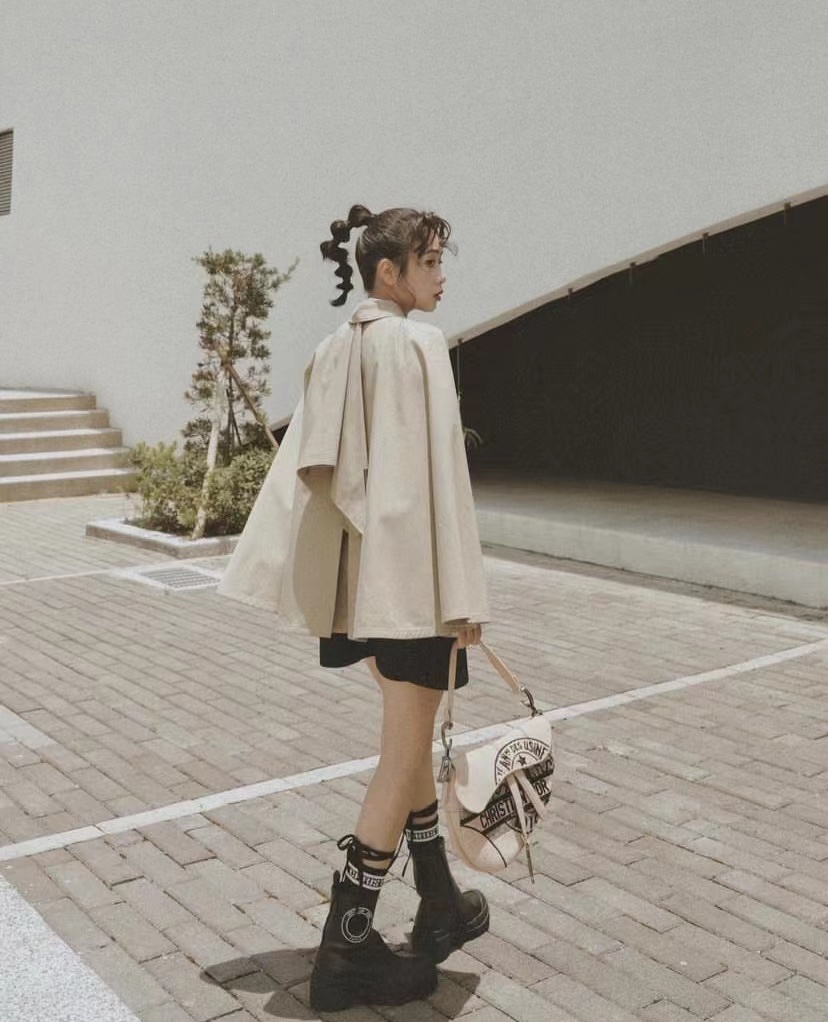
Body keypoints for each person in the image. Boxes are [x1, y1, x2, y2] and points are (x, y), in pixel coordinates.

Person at [218, 204, 491, 1011]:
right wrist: (464, 596)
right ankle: (347, 949)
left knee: (407, 742)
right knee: (400, 755)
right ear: (389, 271)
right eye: (431, 261)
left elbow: (315, 477)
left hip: (358, 589)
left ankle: (438, 900)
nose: (442, 276)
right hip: (413, 589)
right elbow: (439, 480)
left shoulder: (336, 347)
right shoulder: (418, 345)